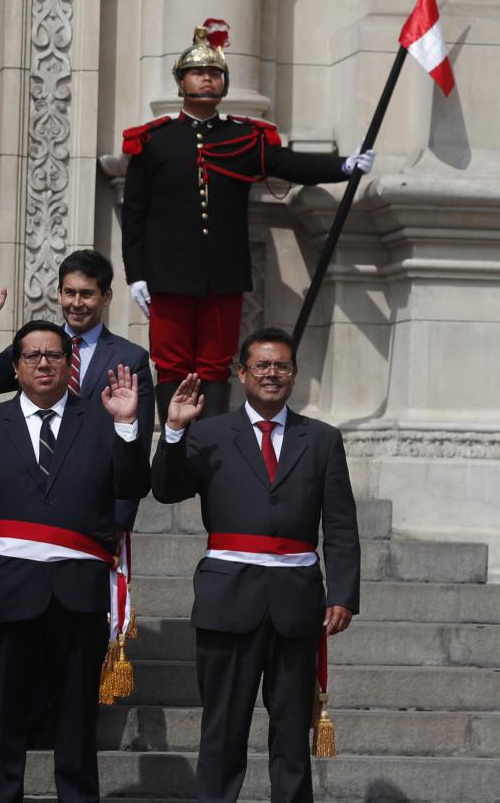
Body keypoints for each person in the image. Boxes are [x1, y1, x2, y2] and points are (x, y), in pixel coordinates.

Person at [0, 321, 150, 803]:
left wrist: (126, 425)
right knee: (2, 720)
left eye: (54, 355)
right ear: (14, 367)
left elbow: (134, 486)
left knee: (76, 726)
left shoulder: (102, 421)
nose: (43, 363)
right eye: (32, 355)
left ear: (70, 364)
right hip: (3, 594)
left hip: (76, 598)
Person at [121, 20, 374, 419]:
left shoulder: (242, 138)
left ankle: (211, 446)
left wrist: (344, 165)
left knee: (215, 363)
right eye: (199, 72)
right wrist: (136, 273)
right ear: (181, 81)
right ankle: (174, 452)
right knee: (170, 362)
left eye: (215, 73)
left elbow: (289, 163)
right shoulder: (154, 141)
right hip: (166, 273)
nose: (208, 79)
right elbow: (134, 213)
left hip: (222, 273)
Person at [151, 328, 360, 803]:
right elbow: (165, 488)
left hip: (296, 604)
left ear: (294, 375)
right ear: (241, 373)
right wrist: (175, 430)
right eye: (262, 365)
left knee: (290, 737)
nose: (272, 373)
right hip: (228, 599)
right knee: (223, 730)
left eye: (281, 366)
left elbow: (342, 524)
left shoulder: (322, 439)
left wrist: (343, 593)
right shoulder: (208, 432)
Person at [0, 250, 156, 526]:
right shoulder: (38, 345)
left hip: (92, 502)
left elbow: (134, 448)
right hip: (30, 492)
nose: (76, 303)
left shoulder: (129, 359)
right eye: (69, 293)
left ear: (106, 296)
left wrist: (120, 523)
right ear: (58, 294)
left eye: (87, 294)